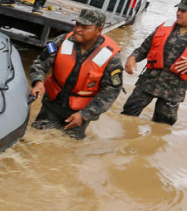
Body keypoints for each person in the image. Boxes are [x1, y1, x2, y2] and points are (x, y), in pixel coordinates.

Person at [121, 0, 187, 126]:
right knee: (126, 117)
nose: (179, 13)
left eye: (184, 11)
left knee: (162, 128)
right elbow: (144, 49)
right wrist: (132, 57)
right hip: (148, 83)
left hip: (173, 91)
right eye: (178, 9)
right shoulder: (164, 27)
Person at [29, 8, 123, 139]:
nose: (78, 29)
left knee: (68, 148)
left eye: (85, 27)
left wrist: (84, 115)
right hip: (52, 104)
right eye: (77, 25)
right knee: (34, 140)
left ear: (98, 31)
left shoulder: (110, 56)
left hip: (79, 112)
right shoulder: (62, 41)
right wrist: (38, 82)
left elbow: (111, 91)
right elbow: (40, 63)